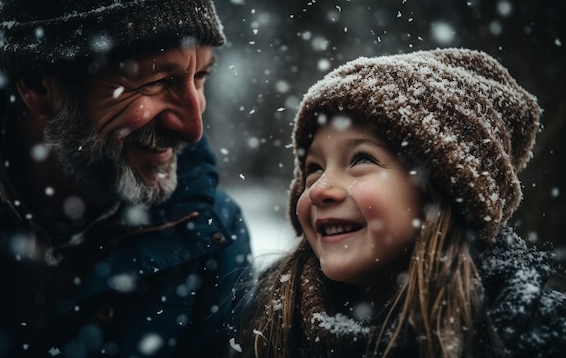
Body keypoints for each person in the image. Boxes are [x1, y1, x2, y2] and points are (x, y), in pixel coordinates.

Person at [0, 0, 251, 357]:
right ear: (38, 85)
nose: (192, 128)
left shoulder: (210, 234)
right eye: (156, 82)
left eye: (200, 77)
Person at [231, 49, 566, 357]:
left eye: (361, 159)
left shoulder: (529, 334)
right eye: (313, 169)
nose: (319, 190)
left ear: (439, 192)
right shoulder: (263, 326)